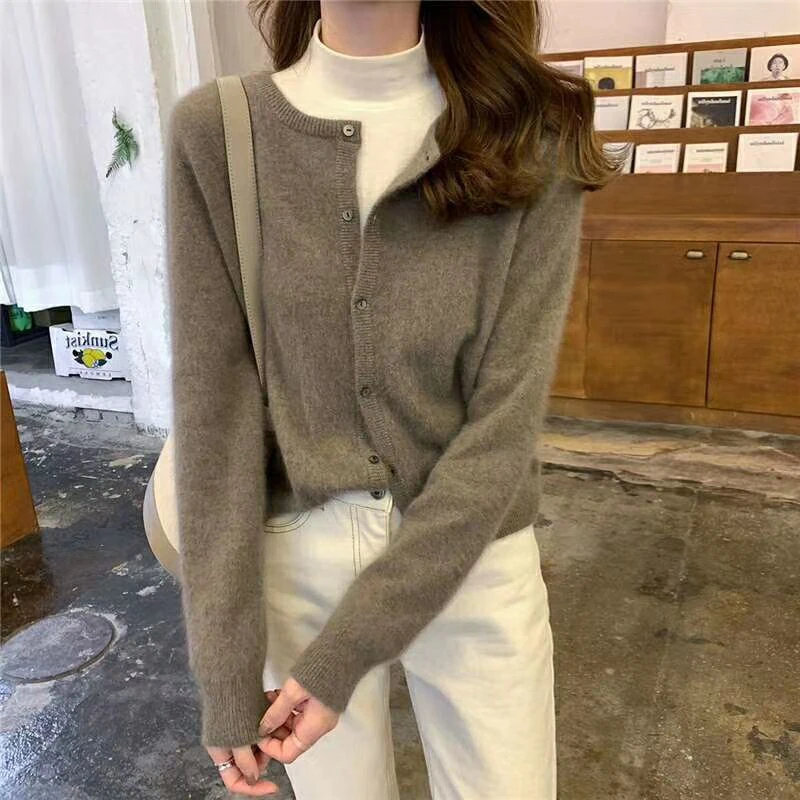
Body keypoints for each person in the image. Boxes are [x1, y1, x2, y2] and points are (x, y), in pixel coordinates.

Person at [165, 1, 615, 798]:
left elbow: (504, 426)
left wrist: (351, 646)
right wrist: (225, 669)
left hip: (473, 552)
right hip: (302, 557)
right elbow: (215, 415)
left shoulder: (533, 134)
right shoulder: (219, 132)